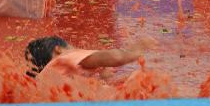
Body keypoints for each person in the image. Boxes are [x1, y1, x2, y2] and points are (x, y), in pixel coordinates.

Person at [25, 36, 155, 78]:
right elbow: (116, 57)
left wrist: (102, 77)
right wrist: (137, 49)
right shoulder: (66, 56)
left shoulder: (50, 74)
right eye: (71, 45)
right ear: (58, 49)